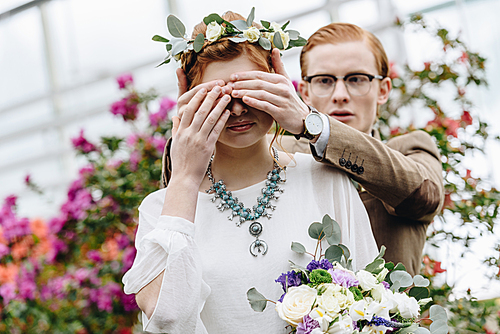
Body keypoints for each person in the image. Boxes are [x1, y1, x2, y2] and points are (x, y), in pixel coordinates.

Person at [124, 12, 378, 334]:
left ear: (278, 84)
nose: (238, 109)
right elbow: (168, 318)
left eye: (249, 90)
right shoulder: (161, 209)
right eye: (218, 97)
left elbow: (370, 299)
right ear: (188, 100)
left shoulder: (326, 179)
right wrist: (186, 178)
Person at [162, 22, 444, 276]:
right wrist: (191, 122)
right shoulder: (274, 151)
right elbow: (189, 184)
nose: (340, 94)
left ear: (383, 90)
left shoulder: (411, 149)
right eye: (324, 80)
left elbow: (423, 196)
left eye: (356, 79)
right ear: (304, 92)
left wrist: (316, 126)